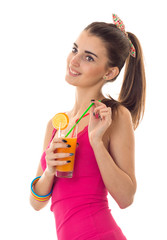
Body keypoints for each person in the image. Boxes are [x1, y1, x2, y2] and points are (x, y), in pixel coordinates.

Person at [30, 14, 146, 239]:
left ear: (110, 72)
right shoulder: (56, 124)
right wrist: (50, 170)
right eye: (75, 50)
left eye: (89, 57)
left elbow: (126, 198)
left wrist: (97, 143)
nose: (74, 61)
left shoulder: (114, 116)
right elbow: (36, 202)